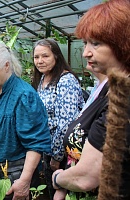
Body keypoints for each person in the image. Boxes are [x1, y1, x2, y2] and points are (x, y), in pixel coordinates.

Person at [51, 0, 130, 199]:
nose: (85, 52)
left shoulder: (122, 101)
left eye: (95, 43)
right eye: (85, 43)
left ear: (123, 43)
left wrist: (57, 179)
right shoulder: (111, 89)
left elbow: (87, 176)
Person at [0, 42, 51, 200]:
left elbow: (35, 144)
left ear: (6, 66)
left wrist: (24, 181)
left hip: (16, 174)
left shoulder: (23, 96)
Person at [32, 38, 85, 199]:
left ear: (56, 56)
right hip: (48, 148)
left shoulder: (66, 80)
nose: (40, 61)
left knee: (63, 193)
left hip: (66, 152)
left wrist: (56, 156)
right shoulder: (43, 78)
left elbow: (66, 124)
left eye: (45, 56)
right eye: (36, 57)